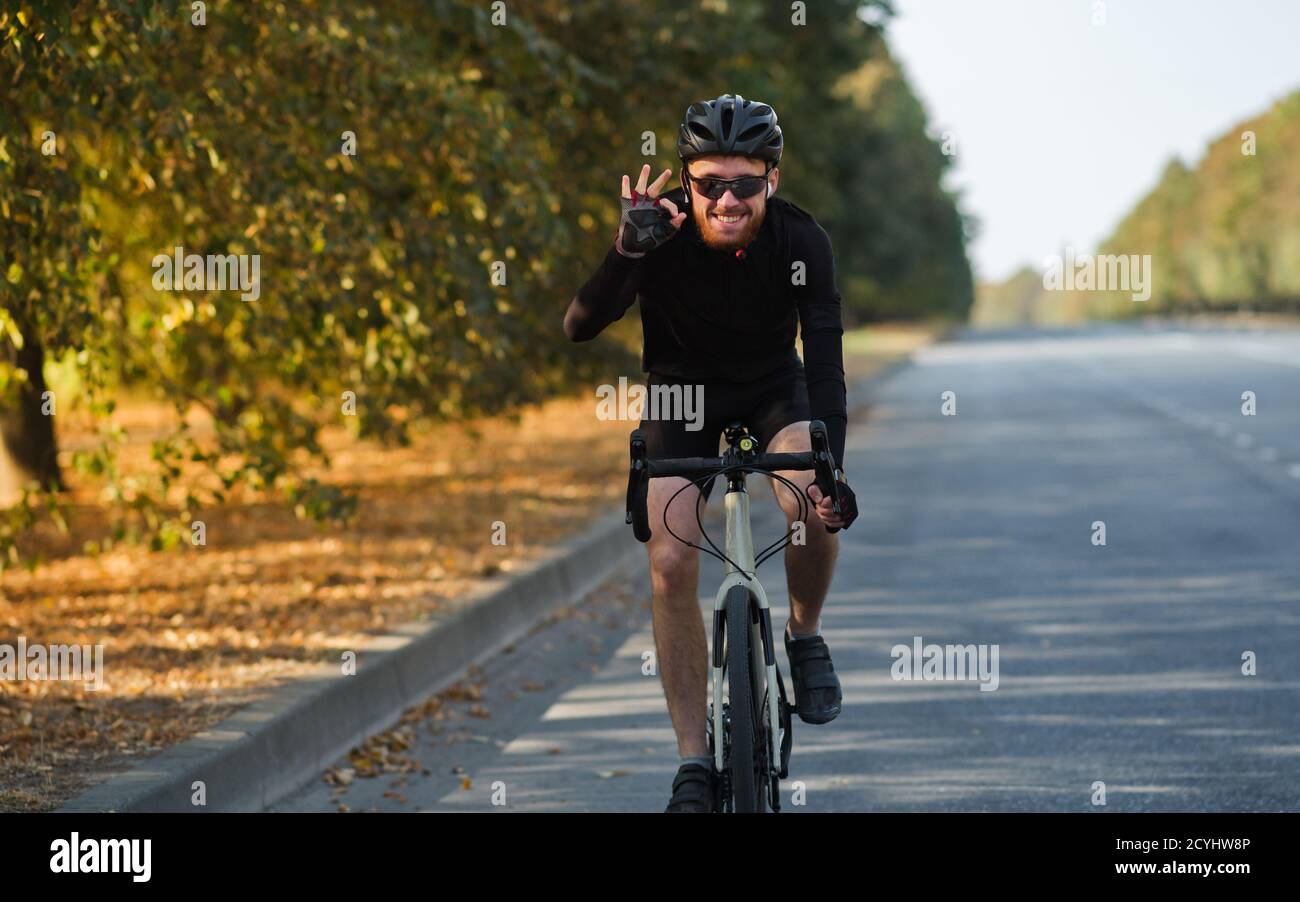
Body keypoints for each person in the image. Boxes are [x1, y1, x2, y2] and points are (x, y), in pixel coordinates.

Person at [563, 93, 859, 812]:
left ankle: (805, 634)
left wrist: (832, 470)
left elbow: (824, 363)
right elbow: (579, 325)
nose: (728, 199)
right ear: (687, 181)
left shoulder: (802, 243)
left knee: (809, 501)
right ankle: (693, 760)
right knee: (669, 561)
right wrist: (624, 251)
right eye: (710, 184)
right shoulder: (654, 236)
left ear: (773, 181)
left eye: (746, 183)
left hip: (771, 387)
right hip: (679, 393)